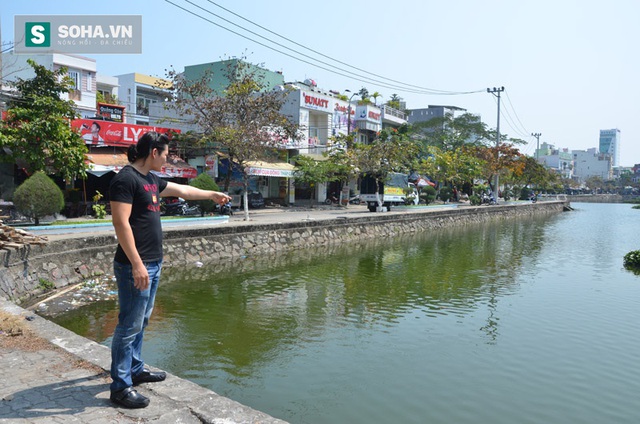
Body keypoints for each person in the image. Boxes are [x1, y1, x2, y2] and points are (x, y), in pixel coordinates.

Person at [108, 131, 231, 409]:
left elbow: (183, 190)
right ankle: (120, 387)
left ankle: (135, 370)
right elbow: (120, 224)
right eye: (165, 154)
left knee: (142, 321)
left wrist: (211, 194)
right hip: (134, 266)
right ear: (154, 152)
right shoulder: (125, 179)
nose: (167, 159)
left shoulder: (151, 180)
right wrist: (137, 264)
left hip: (153, 262)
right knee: (128, 325)